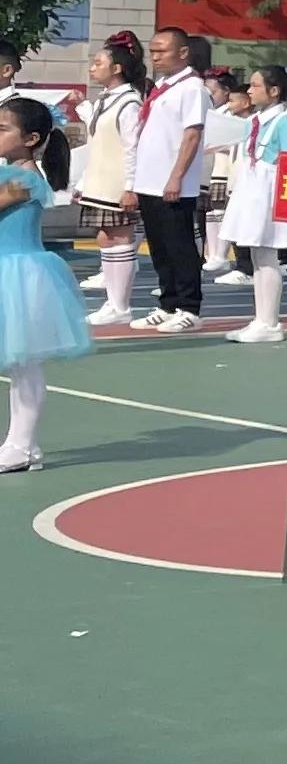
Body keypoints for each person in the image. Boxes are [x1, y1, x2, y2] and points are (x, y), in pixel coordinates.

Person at [0, 96, 97, 471]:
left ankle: (22, 446)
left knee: (24, 364)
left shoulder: (23, 181)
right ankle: (19, 444)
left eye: (3, 129)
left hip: (18, 275)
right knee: (18, 365)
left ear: (31, 139)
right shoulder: (11, 175)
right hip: (10, 270)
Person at [128, 29, 215, 333]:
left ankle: (189, 307)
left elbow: (192, 135)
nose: (155, 57)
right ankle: (168, 303)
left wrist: (176, 177)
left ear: (183, 53)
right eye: (152, 51)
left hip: (173, 182)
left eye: (162, 51)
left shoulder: (192, 88)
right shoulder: (162, 87)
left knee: (180, 246)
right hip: (149, 180)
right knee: (160, 247)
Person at [216, 65, 287, 344]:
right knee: (257, 255)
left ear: (274, 91)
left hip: (267, 188)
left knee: (267, 254)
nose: (249, 90)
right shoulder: (256, 120)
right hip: (252, 185)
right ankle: (261, 318)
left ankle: (269, 322)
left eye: (256, 86)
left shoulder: (282, 121)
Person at [74, 33, 147, 329]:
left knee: (119, 238)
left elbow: (132, 147)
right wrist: (83, 183)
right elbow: (97, 140)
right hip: (100, 181)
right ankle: (114, 302)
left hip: (117, 183)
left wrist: (131, 187)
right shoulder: (108, 99)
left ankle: (120, 305)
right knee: (106, 238)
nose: (93, 68)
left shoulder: (129, 102)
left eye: (98, 63)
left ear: (117, 68)